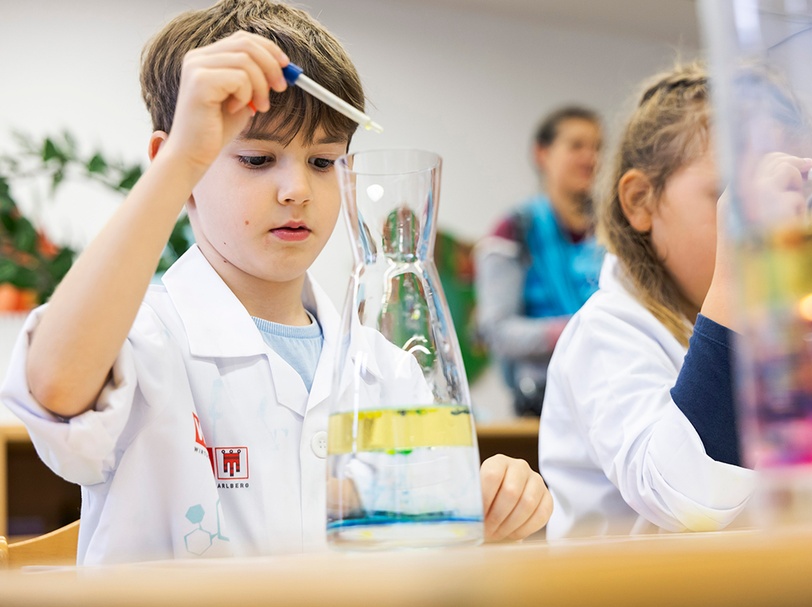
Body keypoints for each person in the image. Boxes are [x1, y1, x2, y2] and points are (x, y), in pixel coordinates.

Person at [0, 0, 551, 565]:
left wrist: (487, 511)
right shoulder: (144, 339)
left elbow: (412, 555)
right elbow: (56, 387)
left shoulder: (387, 369)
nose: (297, 191)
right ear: (178, 166)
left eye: (322, 162)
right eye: (259, 159)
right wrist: (183, 159)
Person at [538, 61, 812, 538]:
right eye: (736, 194)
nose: (778, 221)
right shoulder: (607, 329)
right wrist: (737, 277)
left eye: (793, 196)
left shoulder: (776, 331)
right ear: (641, 201)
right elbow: (689, 498)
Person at [474, 106, 604, 417]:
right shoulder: (515, 230)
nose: (591, 158)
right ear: (542, 153)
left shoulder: (612, 233)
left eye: (597, 147)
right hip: (544, 404)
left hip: (607, 396)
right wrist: (576, 329)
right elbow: (497, 331)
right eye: (576, 146)